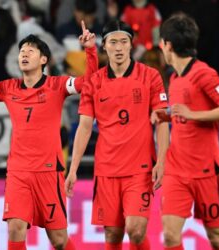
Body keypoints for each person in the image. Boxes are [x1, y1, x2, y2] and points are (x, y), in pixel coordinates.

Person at [0, 21, 98, 250]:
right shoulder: (9, 88)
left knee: (58, 240)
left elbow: (89, 83)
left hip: (48, 171)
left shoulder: (57, 85)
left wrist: (90, 50)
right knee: (15, 228)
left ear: (43, 60)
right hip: (18, 171)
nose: (24, 54)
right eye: (21, 51)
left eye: (30, 51)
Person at [65, 20, 169, 250]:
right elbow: (84, 126)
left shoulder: (150, 76)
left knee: (136, 230)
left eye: (124, 41)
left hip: (139, 169)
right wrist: (72, 169)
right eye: (113, 42)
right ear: (105, 46)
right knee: (112, 234)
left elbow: (162, 122)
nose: (119, 47)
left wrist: (162, 161)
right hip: (107, 169)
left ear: (132, 45)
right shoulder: (94, 81)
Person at [152, 13, 219, 250]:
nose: (160, 48)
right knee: (171, 236)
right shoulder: (175, 78)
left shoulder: (204, 73)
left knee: (216, 237)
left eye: (161, 43)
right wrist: (167, 115)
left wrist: (193, 115)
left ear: (167, 45)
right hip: (177, 170)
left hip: (206, 171)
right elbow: (183, 113)